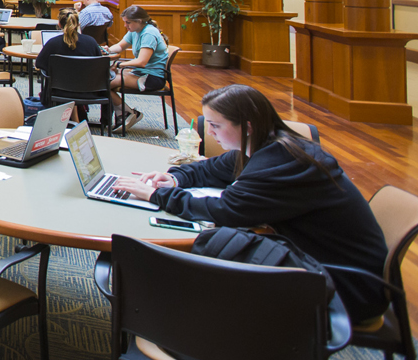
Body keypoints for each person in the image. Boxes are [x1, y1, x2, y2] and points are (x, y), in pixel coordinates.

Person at [118, 84, 389, 326]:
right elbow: (210, 169)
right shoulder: (266, 144)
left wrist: (156, 196)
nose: (209, 133)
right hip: (316, 265)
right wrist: (174, 179)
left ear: (246, 127)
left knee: (202, 266)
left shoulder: (284, 161)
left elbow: (227, 210)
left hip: (343, 288)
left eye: (215, 125)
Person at [103, 4, 165, 132]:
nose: (126, 26)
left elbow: (142, 62)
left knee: (104, 83)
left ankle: (127, 113)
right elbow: (120, 46)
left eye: (128, 23)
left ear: (139, 21)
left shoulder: (149, 33)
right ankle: (125, 113)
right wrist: (107, 50)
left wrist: (119, 64)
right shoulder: (136, 30)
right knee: (105, 80)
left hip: (152, 77)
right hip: (141, 73)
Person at [33, 9, 105, 112]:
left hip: (59, 91)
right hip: (89, 91)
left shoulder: (53, 43)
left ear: (59, 24)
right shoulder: (91, 42)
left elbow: (39, 64)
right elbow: (100, 66)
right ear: (78, 23)